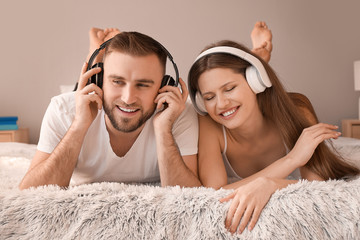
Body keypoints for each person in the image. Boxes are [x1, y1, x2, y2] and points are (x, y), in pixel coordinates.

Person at [187, 22, 360, 234]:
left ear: (255, 81)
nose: (221, 104)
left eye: (230, 88)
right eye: (209, 97)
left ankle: (258, 57)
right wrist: (290, 161)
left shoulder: (297, 109)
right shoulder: (209, 124)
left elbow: (317, 185)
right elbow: (214, 193)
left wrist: (271, 185)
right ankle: (257, 55)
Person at [19, 28, 202, 189]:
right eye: (117, 81)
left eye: (143, 85)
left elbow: (188, 195)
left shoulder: (179, 113)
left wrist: (163, 129)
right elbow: (30, 192)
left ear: (164, 85)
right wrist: (79, 124)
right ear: (98, 81)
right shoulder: (62, 109)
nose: (128, 98)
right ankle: (96, 53)